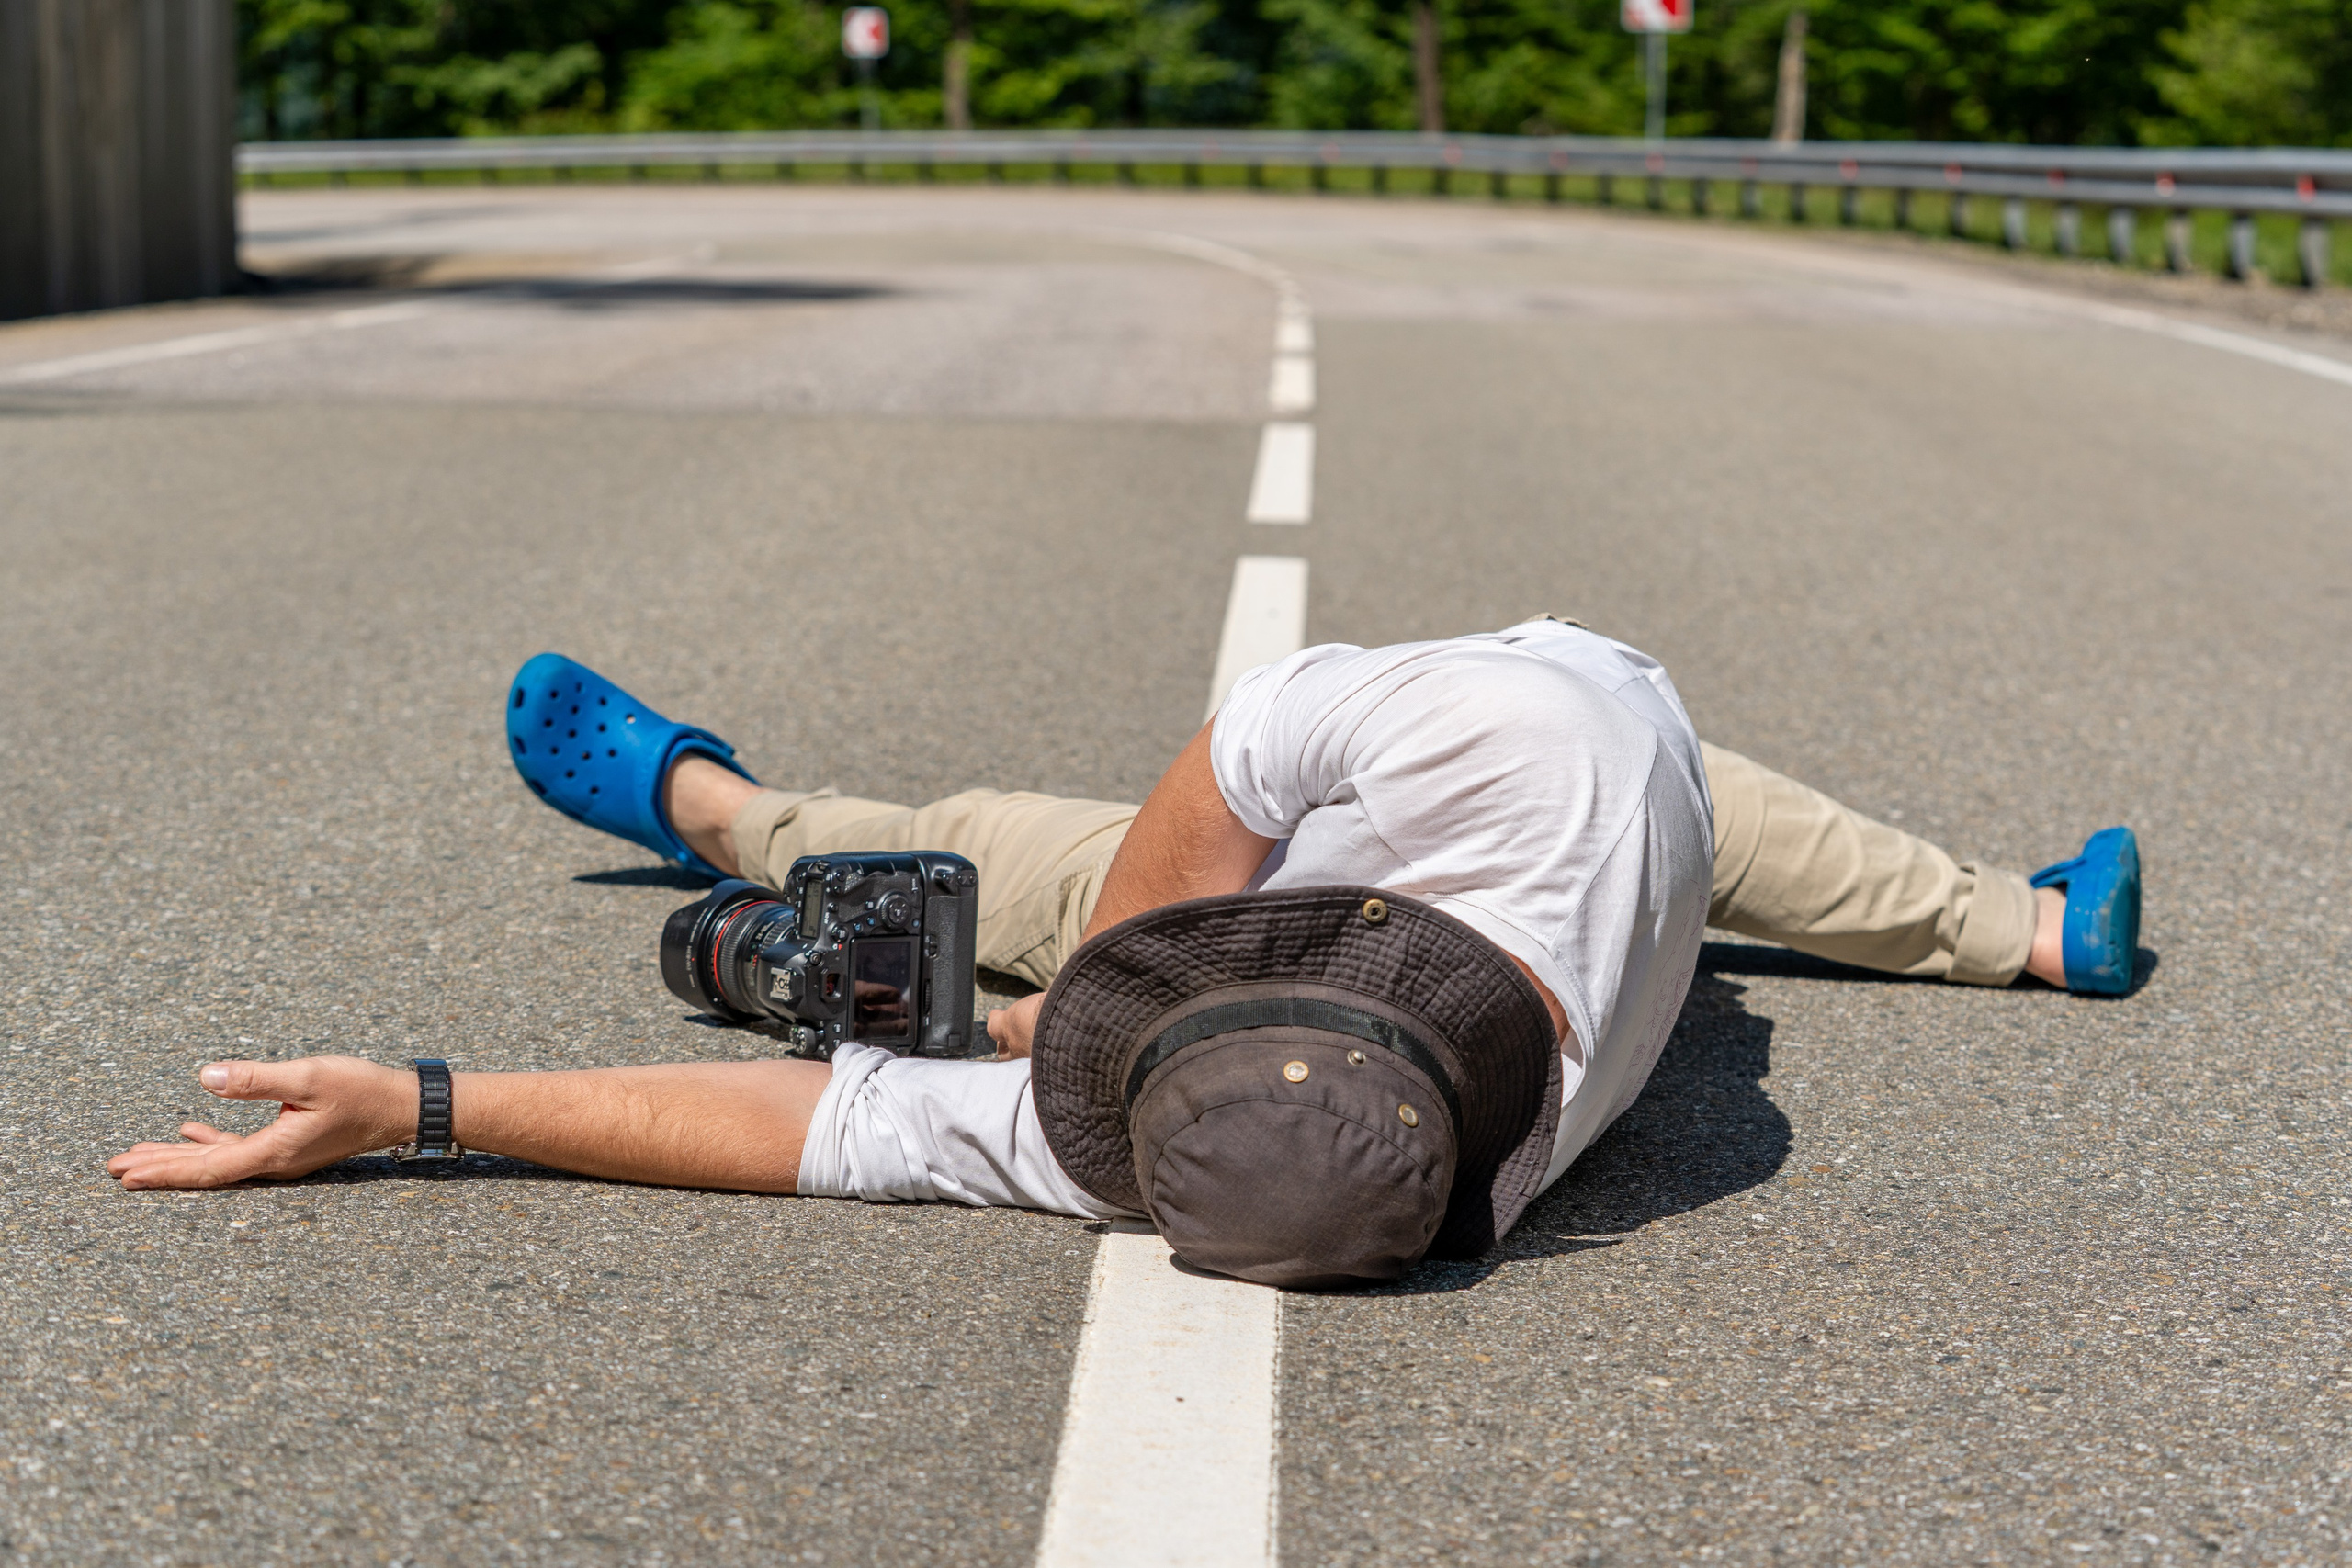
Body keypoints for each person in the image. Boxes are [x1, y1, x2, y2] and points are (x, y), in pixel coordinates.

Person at [108, 620, 2140, 1285]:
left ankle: (709, 810)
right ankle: (2027, 928)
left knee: (990, 850)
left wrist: (426, 1102)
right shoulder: (1545, 735)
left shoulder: (1203, 1140)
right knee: (1720, 822)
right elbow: (1242, 749)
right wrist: (1109, 1013)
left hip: (1562, 824)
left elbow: (790, 1120)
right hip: (1597, 777)